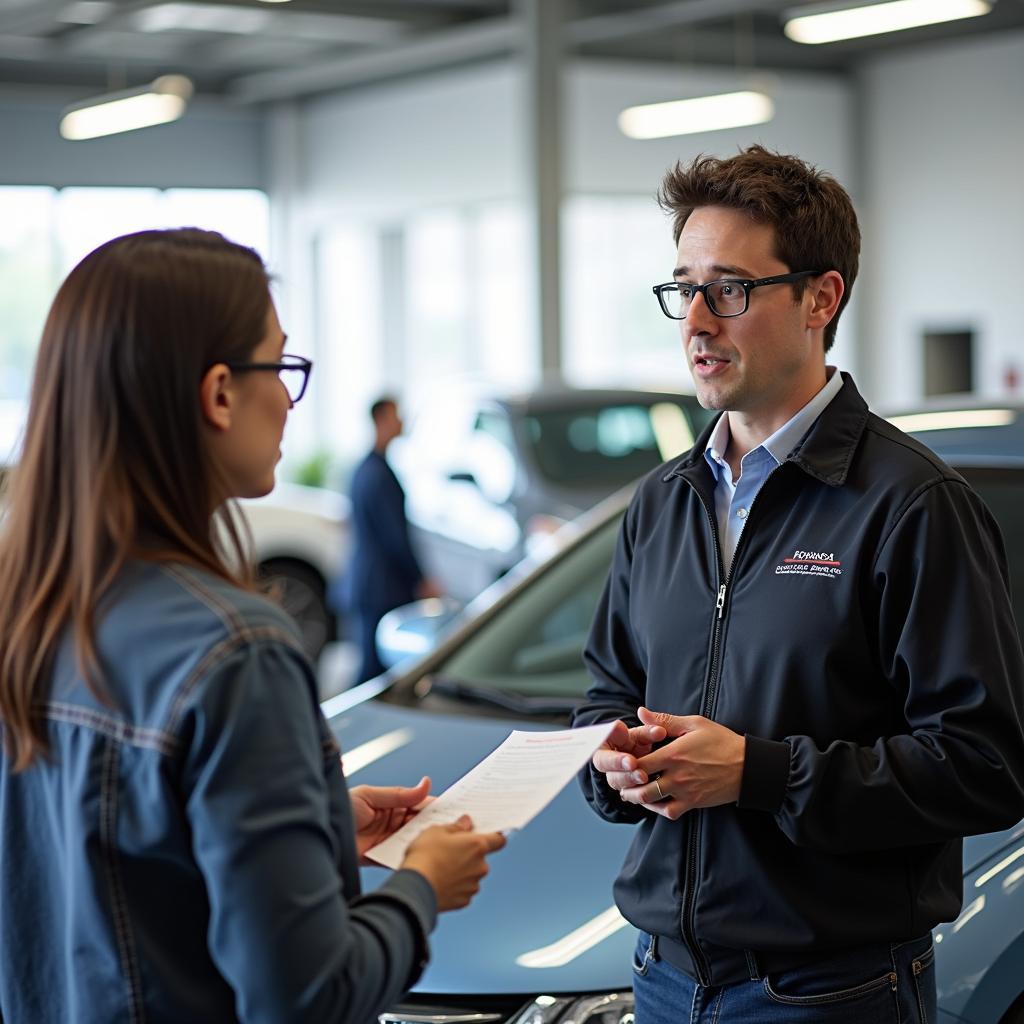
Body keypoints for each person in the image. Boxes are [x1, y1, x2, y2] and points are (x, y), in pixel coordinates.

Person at [0, 228, 505, 1024]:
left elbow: (109, 867)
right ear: (220, 393)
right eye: (284, 366)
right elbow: (304, 994)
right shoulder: (234, 650)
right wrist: (421, 889)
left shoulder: (27, 609)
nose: (289, 399)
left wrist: (319, 821)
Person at [572, 146, 1024, 1023]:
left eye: (730, 289)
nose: (696, 321)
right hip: (662, 983)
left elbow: (985, 767)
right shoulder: (664, 502)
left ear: (821, 298)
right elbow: (605, 693)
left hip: (828, 992)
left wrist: (761, 774)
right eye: (682, 289)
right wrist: (608, 763)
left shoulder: (911, 505)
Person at [345, 396, 441, 683]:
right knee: (375, 672)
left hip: (369, 584)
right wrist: (421, 579)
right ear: (382, 419)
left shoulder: (365, 469)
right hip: (382, 587)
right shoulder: (378, 475)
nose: (401, 421)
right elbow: (395, 537)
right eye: (396, 415)